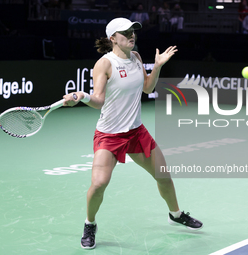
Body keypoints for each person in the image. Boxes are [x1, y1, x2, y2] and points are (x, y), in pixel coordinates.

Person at [62, 17, 203, 250]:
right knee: (98, 184)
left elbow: (148, 87)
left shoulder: (136, 57)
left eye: (133, 31)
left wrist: (156, 67)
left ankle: (175, 214)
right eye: (125, 32)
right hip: (110, 135)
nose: (131, 35)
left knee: (164, 177)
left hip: (136, 132)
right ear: (112, 38)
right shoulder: (105, 64)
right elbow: (98, 100)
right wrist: (81, 96)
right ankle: (90, 224)